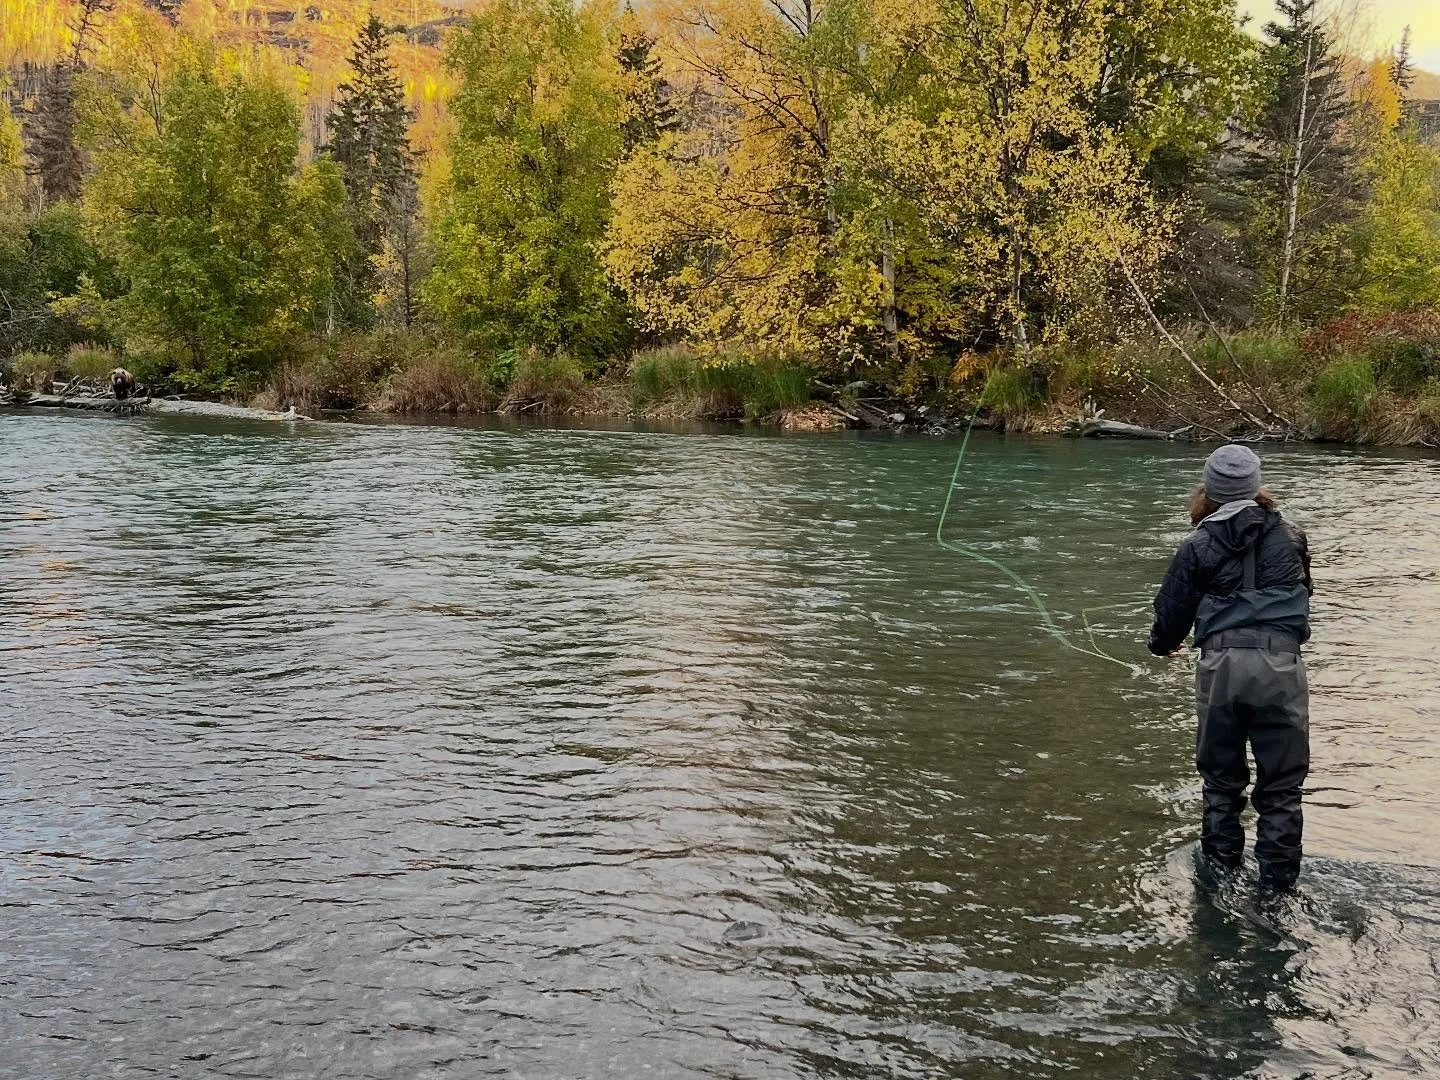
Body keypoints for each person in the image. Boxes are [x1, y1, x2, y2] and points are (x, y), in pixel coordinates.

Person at [1148, 444, 1313, 891]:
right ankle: (1278, 890)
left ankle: (1219, 883)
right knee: (1281, 790)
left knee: (1221, 784)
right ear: (1257, 487)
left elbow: (1171, 615)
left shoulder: (1197, 544)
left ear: (1209, 491)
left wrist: (1163, 647)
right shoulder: (1293, 537)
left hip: (1221, 667)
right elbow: (1303, 599)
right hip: (1282, 667)